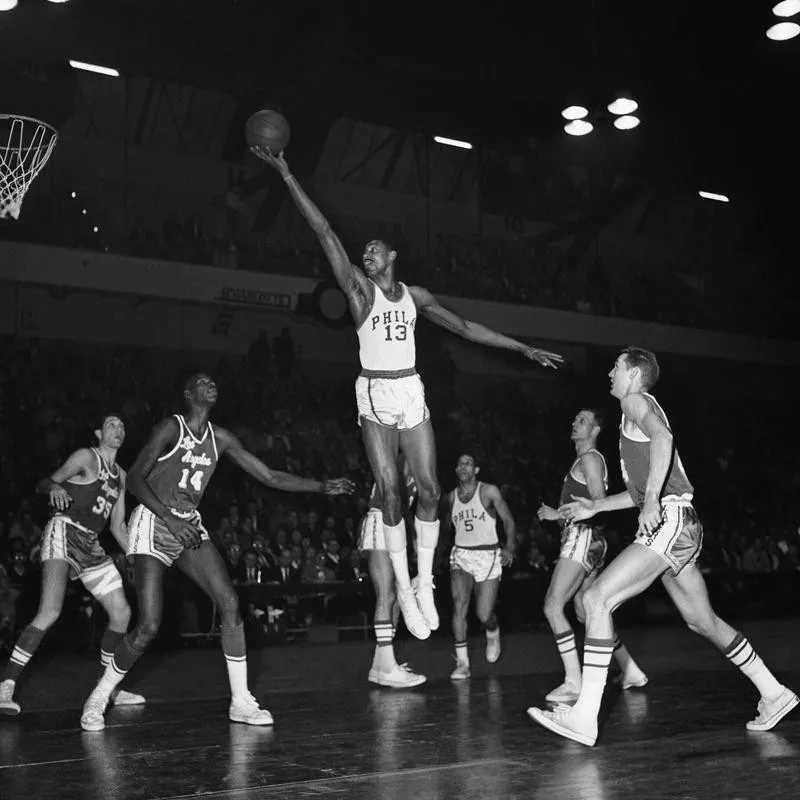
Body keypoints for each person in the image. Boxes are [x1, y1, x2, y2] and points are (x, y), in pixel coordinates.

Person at [251, 145, 563, 642]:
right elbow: (325, 232)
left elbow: (463, 327)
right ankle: (402, 582)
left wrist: (523, 348)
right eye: (364, 252)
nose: (365, 254)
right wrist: (288, 175)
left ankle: (422, 581)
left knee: (432, 491)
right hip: (374, 392)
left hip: (411, 388)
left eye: (374, 249)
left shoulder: (416, 297)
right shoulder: (358, 291)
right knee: (391, 493)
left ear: (392, 256)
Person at [528, 348, 798, 746]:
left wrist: (652, 498)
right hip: (680, 526)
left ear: (635, 374)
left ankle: (584, 715)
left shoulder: (637, 401)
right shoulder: (628, 420)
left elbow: (664, 437)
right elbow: (637, 492)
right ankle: (773, 692)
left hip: (670, 520)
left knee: (596, 599)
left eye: (616, 367)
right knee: (701, 621)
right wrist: (597, 505)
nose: (609, 372)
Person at [79, 374, 353, 732]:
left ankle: (240, 701)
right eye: (203, 382)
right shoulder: (171, 428)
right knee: (148, 625)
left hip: (188, 524)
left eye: (214, 382)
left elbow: (268, 475)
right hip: (153, 521)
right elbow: (134, 481)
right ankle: (99, 697)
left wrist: (321, 486)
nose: (212, 385)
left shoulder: (221, 438)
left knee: (229, 603)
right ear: (188, 393)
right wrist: (168, 519)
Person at [0, 414, 145, 717]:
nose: (118, 429)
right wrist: (53, 487)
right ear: (98, 432)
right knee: (49, 611)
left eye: (122, 426)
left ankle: (110, 688)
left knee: (122, 613)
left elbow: (117, 526)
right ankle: (6, 687)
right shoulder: (85, 456)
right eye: (111, 425)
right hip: (64, 531)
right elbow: (45, 482)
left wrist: (138, 554)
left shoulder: (122, 475)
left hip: (91, 543)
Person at [537, 408, 647, 703]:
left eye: (583, 421)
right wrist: (555, 514)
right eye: (574, 419)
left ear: (596, 430)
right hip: (593, 540)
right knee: (586, 612)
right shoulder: (586, 460)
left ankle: (573, 682)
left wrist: (563, 514)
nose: (575, 423)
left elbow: (597, 502)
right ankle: (629, 669)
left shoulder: (589, 459)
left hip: (583, 537)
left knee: (552, 605)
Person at [445, 453, 516, 680]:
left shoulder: (488, 491)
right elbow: (447, 528)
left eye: (468, 463)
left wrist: (510, 547)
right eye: (460, 463)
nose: (463, 466)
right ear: (456, 470)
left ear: (475, 470)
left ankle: (493, 630)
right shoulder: (450, 498)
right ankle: (462, 663)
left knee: (484, 614)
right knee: (459, 606)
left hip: (488, 555)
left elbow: (508, 520)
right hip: (461, 556)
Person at [358, 453, 425, 689]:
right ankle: (386, 668)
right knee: (386, 595)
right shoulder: (399, 459)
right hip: (381, 520)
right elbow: (391, 500)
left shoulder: (415, 466)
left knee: (395, 599)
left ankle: (380, 664)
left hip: (395, 527)